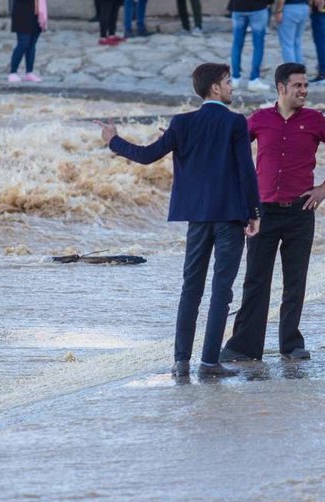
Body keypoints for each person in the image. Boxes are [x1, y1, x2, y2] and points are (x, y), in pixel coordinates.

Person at [97, 63, 261, 379]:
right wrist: (254, 213)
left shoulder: (182, 123)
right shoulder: (235, 123)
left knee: (191, 289)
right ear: (215, 88)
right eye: (228, 82)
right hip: (229, 217)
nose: (231, 87)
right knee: (221, 290)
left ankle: (181, 362)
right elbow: (245, 172)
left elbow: (146, 156)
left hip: (196, 218)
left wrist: (114, 140)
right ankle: (210, 362)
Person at [221, 62, 325, 363]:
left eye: (306, 86)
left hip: (300, 212)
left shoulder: (315, 120)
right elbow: (232, 150)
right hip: (262, 212)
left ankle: (291, 345)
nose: (304, 91)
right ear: (281, 88)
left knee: (295, 281)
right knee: (256, 280)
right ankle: (244, 347)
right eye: (298, 86)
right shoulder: (259, 120)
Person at [229, 0, 272, 91]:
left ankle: (235, 78)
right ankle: (254, 79)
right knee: (258, 45)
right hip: (258, 6)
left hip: (238, 6)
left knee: (237, 44)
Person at [8, 0, 47, 83]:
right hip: (22, 12)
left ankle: (29, 72)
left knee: (32, 44)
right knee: (23, 43)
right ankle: (13, 72)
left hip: (36, 13)